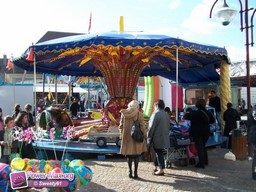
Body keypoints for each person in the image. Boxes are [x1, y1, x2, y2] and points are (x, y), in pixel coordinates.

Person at [119, 100, 147, 179]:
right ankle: (135, 172)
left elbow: (120, 126)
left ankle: (129, 171)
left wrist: (121, 135)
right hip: (137, 138)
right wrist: (145, 135)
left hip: (127, 138)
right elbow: (142, 127)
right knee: (136, 156)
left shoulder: (124, 114)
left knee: (129, 155)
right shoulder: (139, 114)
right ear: (137, 106)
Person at [184, 99, 215, 168]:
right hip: (206, 131)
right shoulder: (208, 112)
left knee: (199, 148)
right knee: (203, 146)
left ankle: (201, 164)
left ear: (197, 105)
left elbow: (185, 117)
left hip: (197, 132)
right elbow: (212, 121)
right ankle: (205, 161)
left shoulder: (195, 113)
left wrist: (188, 111)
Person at [147, 99, 170, 176]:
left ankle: (161, 169)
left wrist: (148, 136)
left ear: (156, 105)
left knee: (158, 152)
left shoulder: (156, 114)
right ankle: (156, 167)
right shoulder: (166, 114)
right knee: (158, 152)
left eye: (154, 106)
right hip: (164, 136)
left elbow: (151, 127)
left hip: (157, 136)